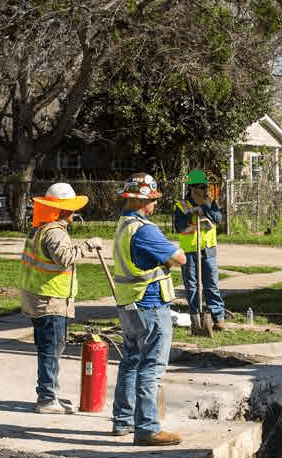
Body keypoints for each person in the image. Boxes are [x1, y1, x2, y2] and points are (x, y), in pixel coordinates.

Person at [110, 173, 186, 446]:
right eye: (152, 201)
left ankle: (123, 421)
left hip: (129, 305)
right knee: (151, 368)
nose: (155, 206)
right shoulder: (145, 229)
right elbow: (179, 257)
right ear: (143, 201)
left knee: (130, 362)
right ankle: (147, 428)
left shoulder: (123, 225)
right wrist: (170, 255)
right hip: (149, 306)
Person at [19, 183, 103, 414]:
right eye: (72, 209)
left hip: (40, 299)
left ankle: (50, 394)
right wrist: (89, 244)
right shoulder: (55, 232)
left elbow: (58, 252)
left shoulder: (43, 229)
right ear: (65, 211)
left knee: (51, 348)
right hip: (50, 300)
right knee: (50, 350)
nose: (74, 213)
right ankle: (47, 399)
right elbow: (65, 257)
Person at [173, 170, 225, 330]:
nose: (205, 190)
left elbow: (218, 218)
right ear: (193, 188)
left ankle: (218, 317)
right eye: (202, 187)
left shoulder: (209, 201)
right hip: (190, 251)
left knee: (211, 285)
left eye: (206, 187)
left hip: (208, 250)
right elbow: (179, 226)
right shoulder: (181, 205)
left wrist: (204, 207)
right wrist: (191, 214)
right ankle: (195, 317)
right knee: (192, 286)